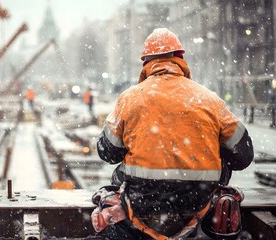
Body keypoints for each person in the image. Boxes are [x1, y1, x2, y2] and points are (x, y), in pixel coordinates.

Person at [92, 28, 254, 239]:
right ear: (180, 59)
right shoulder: (208, 99)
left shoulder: (130, 98)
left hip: (143, 202)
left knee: (118, 175)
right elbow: (243, 155)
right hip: (199, 200)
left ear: (146, 63)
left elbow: (107, 152)